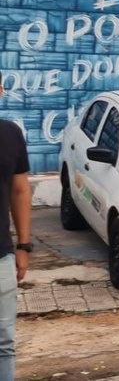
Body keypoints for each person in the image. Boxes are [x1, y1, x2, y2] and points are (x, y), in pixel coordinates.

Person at [0, 74, 32, 378]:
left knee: (4, 342)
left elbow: (20, 190)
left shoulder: (10, 134)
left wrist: (24, 246)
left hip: (1, 256)